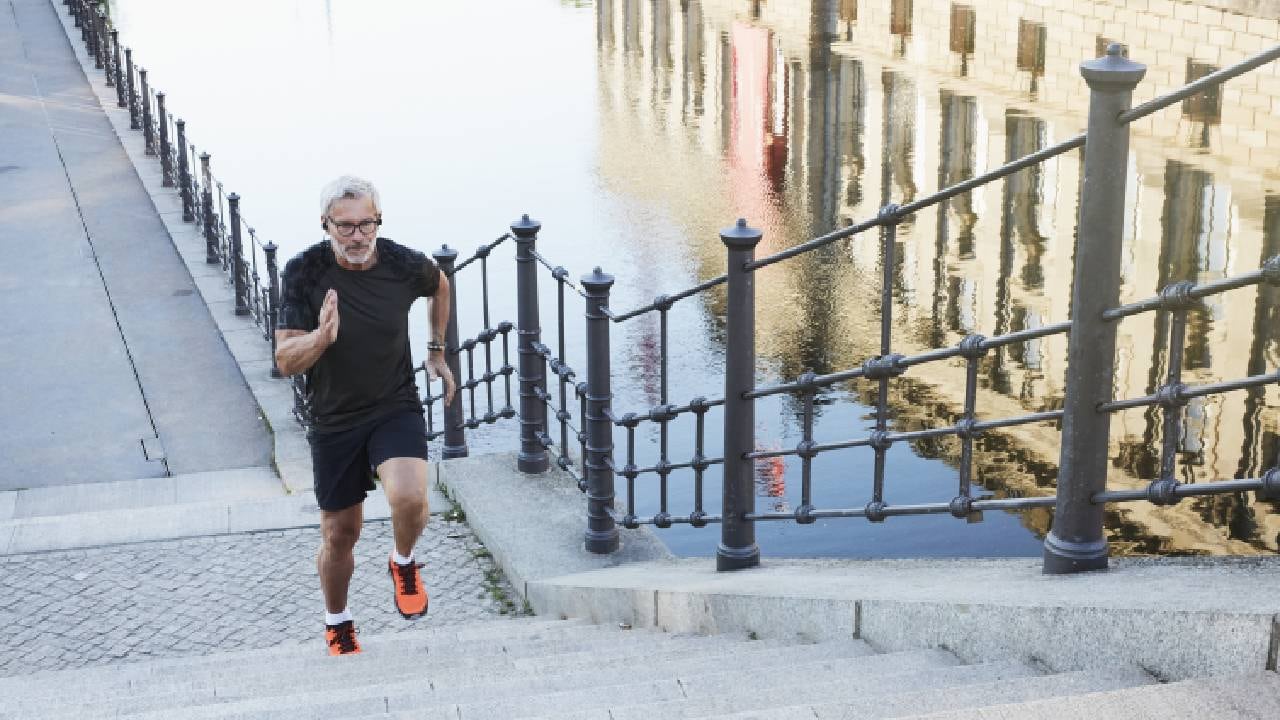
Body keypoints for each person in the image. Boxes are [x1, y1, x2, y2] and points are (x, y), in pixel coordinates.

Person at [275, 175, 456, 656]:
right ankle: (338, 619)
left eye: (366, 224)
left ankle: (403, 561)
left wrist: (436, 350)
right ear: (325, 224)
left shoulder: (399, 262)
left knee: (411, 499)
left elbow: (440, 284)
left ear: (378, 220)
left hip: (393, 402)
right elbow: (284, 359)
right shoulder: (304, 272)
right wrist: (320, 339)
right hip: (333, 418)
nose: (358, 236)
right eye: (346, 227)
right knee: (341, 535)